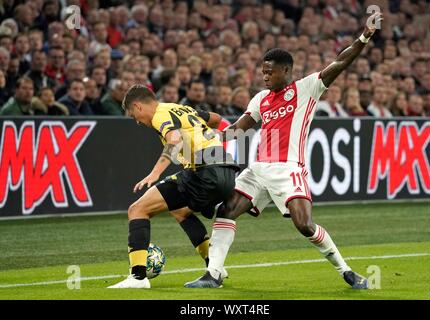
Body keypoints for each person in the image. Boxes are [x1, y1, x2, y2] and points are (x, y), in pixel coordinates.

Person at [184, 12, 383, 290]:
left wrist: (364, 37)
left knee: (304, 225)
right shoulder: (260, 99)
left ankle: (346, 271)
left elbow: (341, 61)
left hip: (289, 169)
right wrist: (207, 143)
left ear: (286, 71)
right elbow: (238, 129)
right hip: (258, 169)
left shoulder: (307, 88)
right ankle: (213, 274)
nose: (264, 76)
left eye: (270, 72)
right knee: (227, 211)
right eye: (262, 71)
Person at [108, 85, 240, 289]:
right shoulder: (182, 109)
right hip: (228, 171)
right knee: (180, 210)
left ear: (137, 106)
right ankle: (215, 266)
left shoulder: (159, 115)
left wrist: (155, 173)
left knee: (138, 210)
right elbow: (215, 119)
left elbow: (174, 140)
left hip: (204, 171)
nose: (136, 120)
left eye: (133, 114)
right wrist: (217, 140)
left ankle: (138, 277)